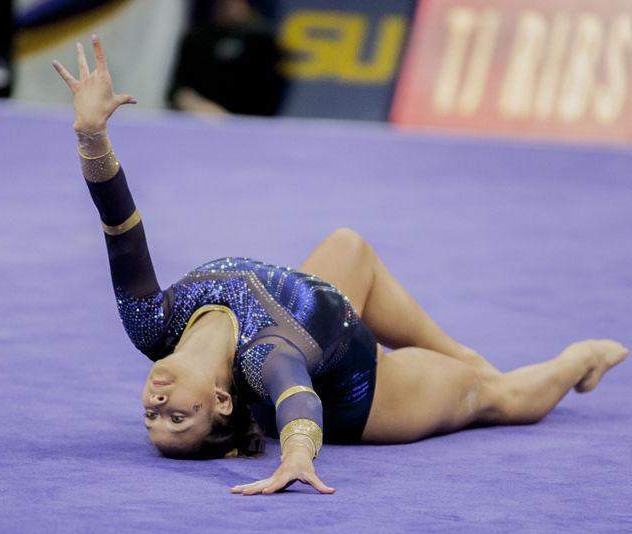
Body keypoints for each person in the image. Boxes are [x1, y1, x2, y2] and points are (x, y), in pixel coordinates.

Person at [52, 36, 629, 496]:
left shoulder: (152, 324)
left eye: (151, 419)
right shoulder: (266, 355)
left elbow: (120, 228)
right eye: (177, 421)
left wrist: (90, 132)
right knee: (494, 394)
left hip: (326, 303)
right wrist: (297, 455)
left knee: (347, 244)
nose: (156, 409)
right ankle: (579, 359)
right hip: (359, 386)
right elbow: (299, 404)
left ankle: (460, 351)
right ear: (222, 401)